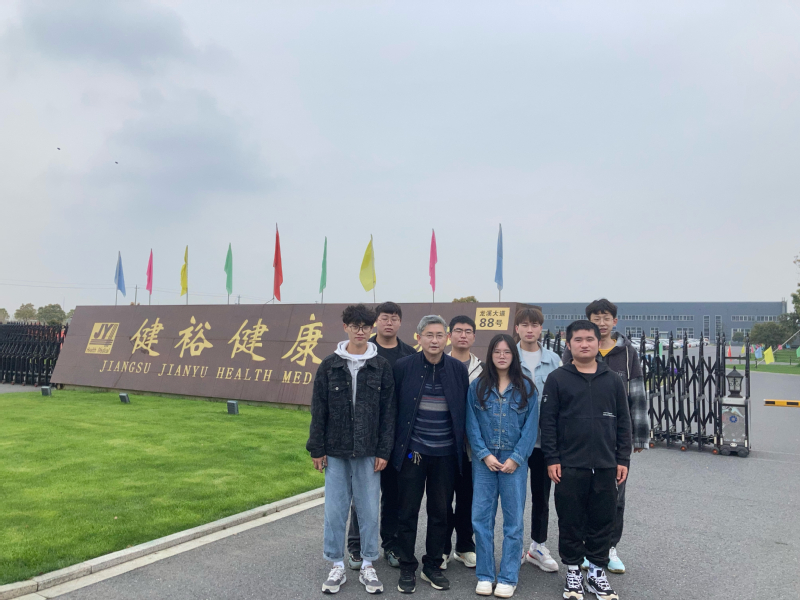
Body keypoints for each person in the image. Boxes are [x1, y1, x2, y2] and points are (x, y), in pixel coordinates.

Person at [307, 304, 396, 595]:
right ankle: (336, 564)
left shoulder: (380, 366)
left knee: (369, 510)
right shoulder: (329, 365)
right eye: (355, 326)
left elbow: (388, 413)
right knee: (335, 510)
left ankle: (368, 563)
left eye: (365, 326)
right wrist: (316, 448)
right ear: (345, 327)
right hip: (335, 450)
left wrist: (384, 450)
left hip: (369, 451)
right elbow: (319, 409)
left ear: (371, 329)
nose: (360, 331)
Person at [540, 320, 631, 600]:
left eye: (589, 339)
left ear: (598, 343)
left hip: (605, 464)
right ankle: (572, 571)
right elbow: (548, 423)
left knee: (603, 520)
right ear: (568, 345)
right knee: (570, 519)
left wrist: (623, 458)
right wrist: (552, 458)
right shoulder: (557, 379)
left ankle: (596, 572)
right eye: (577, 340)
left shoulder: (612, 380)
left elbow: (623, 422)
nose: (584, 344)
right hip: (569, 464)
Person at [560, 299, 648, 574]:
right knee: (582, 496)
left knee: (614, 497)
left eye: (606, 317)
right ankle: (586, 549)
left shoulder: (627, 352)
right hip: (580, 439)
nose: (601, 322)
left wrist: (638, 436)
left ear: (614, 321)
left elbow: (637, 394)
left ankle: (609, 547)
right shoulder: (574, 349)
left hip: (613, 439)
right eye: (595, 317)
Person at [392, 315, 470, 593]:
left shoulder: (457, 369)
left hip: (446, 454)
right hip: (413, 453)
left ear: (446, 338)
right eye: (429, 335)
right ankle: (407, 566)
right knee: (407, 511)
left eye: (439, 335)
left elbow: (463, 410)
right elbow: (394, 409)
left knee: (440, 512)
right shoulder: (404, 367)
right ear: (419, 337)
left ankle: (433, 565)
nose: (434, 340)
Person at [466, 334, 538, 598]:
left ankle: (508, 576)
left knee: (513, 521)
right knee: (481, 518)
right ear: (490, 355)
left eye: (507, 352)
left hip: (514, 460)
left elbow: (531, 428)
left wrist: (516, 458)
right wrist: (484, 454)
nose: (502, 356)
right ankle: (485, 575)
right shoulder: (477, 387)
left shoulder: (527, 388)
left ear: (514, 356)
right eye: (497, 351)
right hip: (484, 461)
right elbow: (471, 424)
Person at [347, 302, 417, 570]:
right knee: (362, 495)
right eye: (384, 318)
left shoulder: (409, 355)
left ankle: (391, 544)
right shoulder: (364, 350)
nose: (389, 322)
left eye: (394, 318)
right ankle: (357, 546)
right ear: (376, 321)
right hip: (366, 436)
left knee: (394, 494)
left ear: (400, 323)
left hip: (398, 438)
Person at [513, 308, 562, 573]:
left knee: (541, 497)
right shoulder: (508, 356)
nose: (529, 329)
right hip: (516, 441)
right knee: (514, 497)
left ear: (541, 328)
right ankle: (514, 548)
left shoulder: (554, 360)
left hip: (545, 442)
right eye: (524, 325)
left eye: (534, 325)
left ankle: (538, 546)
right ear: (517, 328)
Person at [442, 315, 484, 570]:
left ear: (474, 336)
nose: (463, 335)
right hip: (445, 446)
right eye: (458, 331)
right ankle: (442, 548)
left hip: (472, 448)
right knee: (442, 499)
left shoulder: (484, 369)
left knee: (468, 498)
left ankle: (465, 546)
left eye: (468, 331)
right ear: (450, 335)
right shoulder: (440, 363)